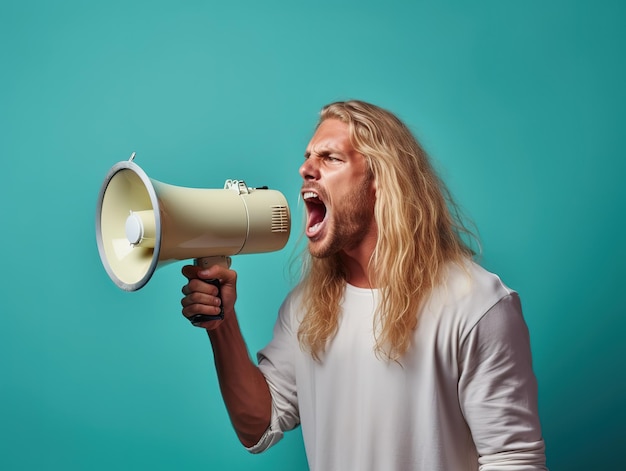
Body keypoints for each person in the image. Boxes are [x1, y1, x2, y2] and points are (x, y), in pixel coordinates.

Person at [180, 100, 548, 470]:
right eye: (308, 157)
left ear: (381, 181)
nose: (305, 169)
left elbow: (514, 459)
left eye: (331, 158)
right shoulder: (305, 306)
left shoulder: (476, 304)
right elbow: (257, 425)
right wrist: (221, 324)